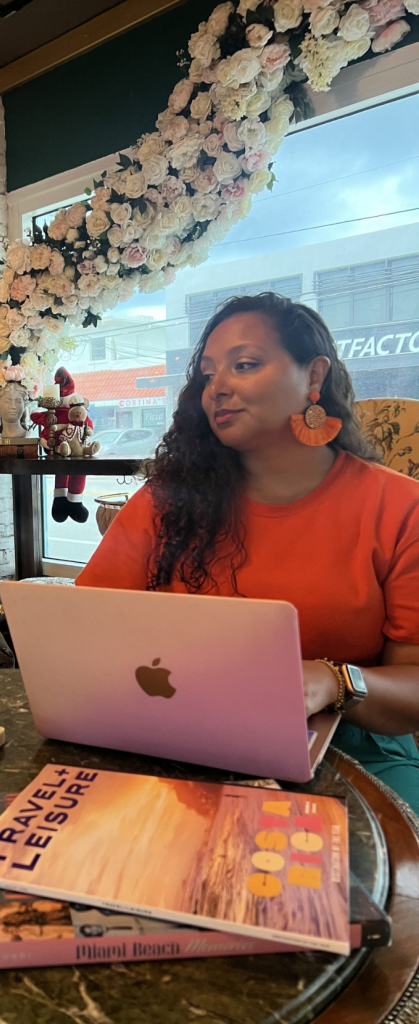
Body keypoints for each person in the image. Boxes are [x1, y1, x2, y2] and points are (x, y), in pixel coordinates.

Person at [77, 292, 419, 812]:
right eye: (208, 374)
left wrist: (334, 679)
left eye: (245, 364)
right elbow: (84, 630)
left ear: (313, 377)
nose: (218, 388)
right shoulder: (165, 500)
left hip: (350, 746)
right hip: (176, 729)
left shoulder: (400, 507)